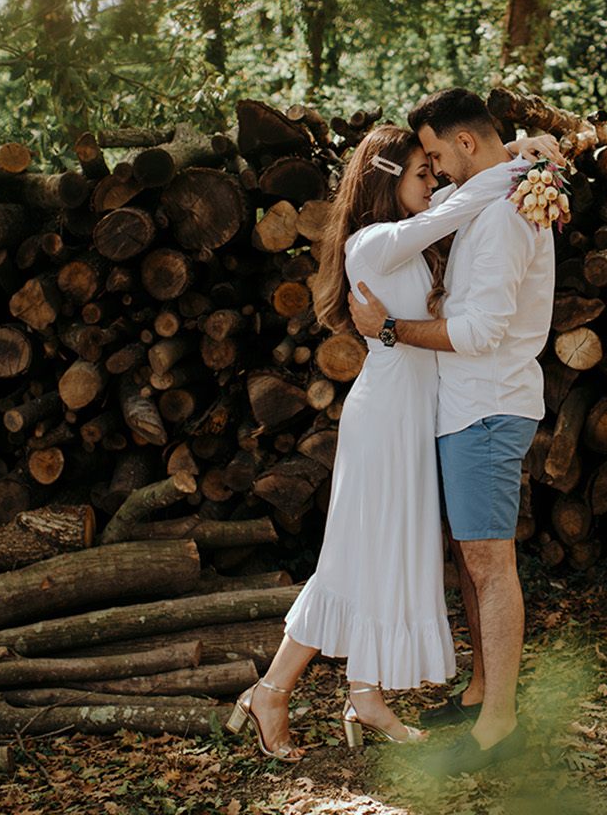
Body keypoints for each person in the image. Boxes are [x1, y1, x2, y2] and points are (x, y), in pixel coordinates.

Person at [226, 122, 559, 760]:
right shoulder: (372, 242)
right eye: (420, 172)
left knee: (382, 554)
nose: (433, 182)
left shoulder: (418, 223)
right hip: (384, 420)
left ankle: (365, 694)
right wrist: (516, 166)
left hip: (418, 415)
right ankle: (272, 689)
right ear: (386, 180)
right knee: (353, 555)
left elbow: (459, 195)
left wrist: (514, 152)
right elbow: (464, 200)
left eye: (433, 171)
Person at [349, 87, 558, 776]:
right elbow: (443, 211)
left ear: (465, 142)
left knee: (489, 564)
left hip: (489, 408)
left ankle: (500, 726)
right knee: (474, 561)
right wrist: (539, 153)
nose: (433, 171)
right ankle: (479, 693)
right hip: (468, 409)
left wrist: (388, 330)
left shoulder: (501, 217)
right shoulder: (502, 194)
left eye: (435, 154)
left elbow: (478, 331)